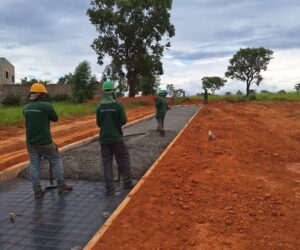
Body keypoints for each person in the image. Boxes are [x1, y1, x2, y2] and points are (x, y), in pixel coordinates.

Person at [23, 83, 73, 199]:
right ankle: (61, 185)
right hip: (45, 142)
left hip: (31, 143)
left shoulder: (26, 109)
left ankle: (37, 191)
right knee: (56, 161)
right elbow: (55, 118)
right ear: (41, 94)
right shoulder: (47, 106)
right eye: (44, 94)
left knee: (34, 166)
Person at [96, 81, 133, 196]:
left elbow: (99, 124)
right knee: (123, 159)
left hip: (104, 140)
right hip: (117, 139)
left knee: (107, 163)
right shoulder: (118, 106)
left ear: (103, 92)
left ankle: (109, 189)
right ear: (113, 91)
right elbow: (124, 121)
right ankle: (127, 183)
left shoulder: (99, 107)